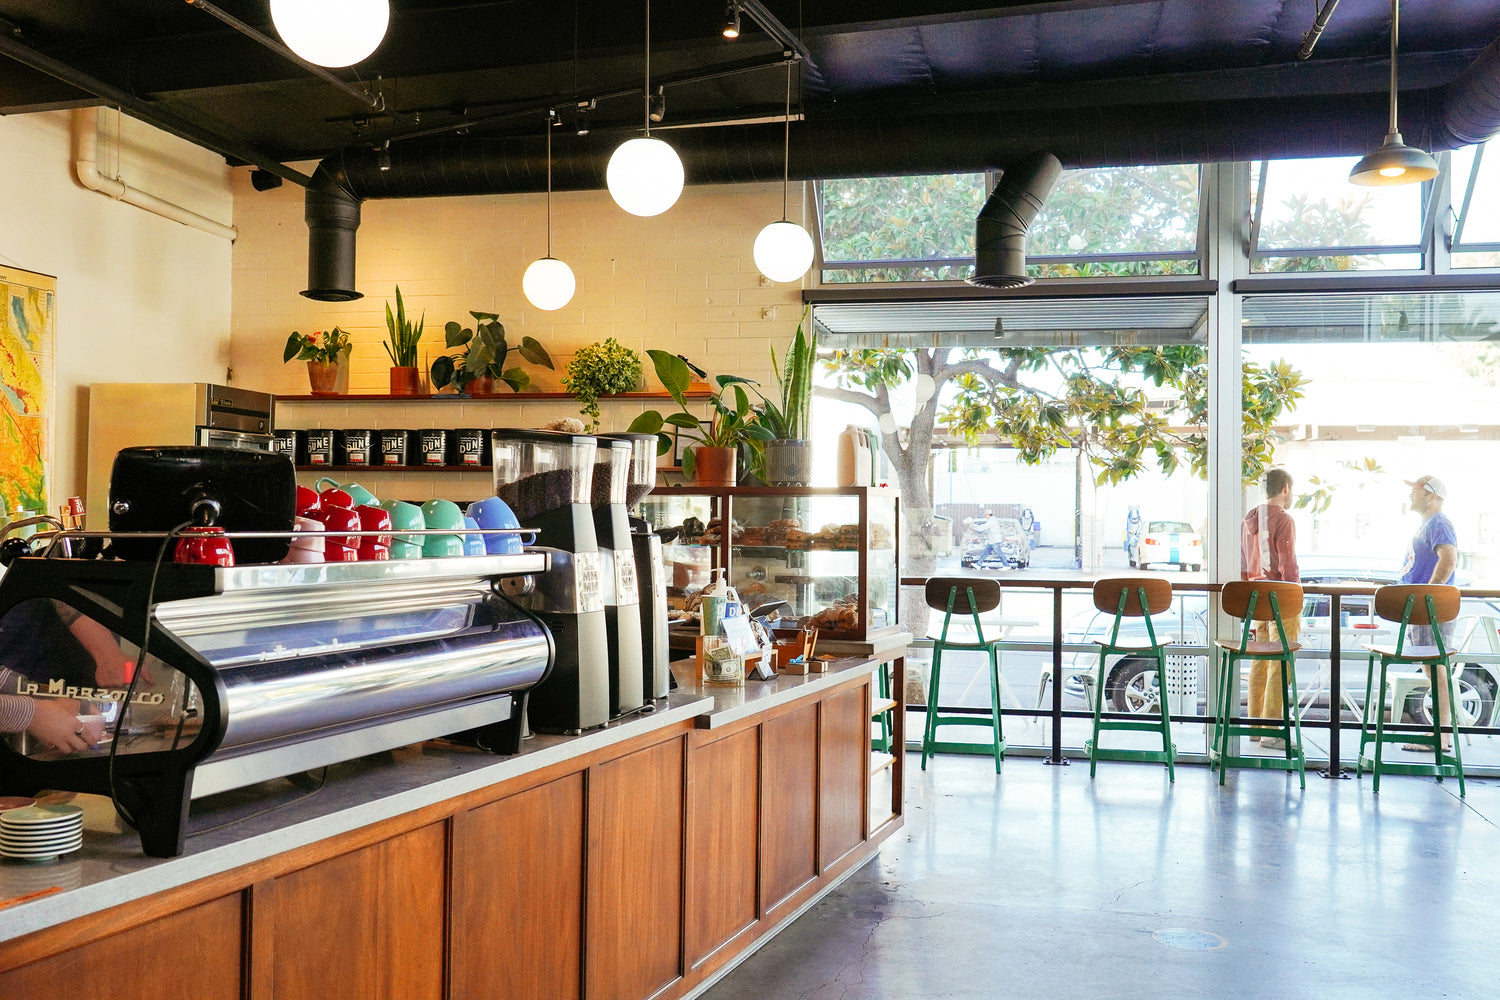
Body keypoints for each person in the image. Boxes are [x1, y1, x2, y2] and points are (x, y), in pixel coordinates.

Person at [1239, 467, 1300, 750]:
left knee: (1260, 662)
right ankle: (1272, 731)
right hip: (1280, 597)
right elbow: (1288, 565)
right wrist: (1296, 594)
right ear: (1285, 488)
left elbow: (1243, 566)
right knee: (1281, 663)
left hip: (1256, 599)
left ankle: (1254, 727)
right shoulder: (1284, 520)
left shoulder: (1248, 520)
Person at [1398, 474, 1459, 753]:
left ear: (1432, 496)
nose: (1412, 495)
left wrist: (1428, 595)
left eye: (1417, 491)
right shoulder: (1428, 524)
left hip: (1430, 608)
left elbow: (1448, 560)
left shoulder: (1439, 522)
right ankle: (1439, 735)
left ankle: (1441, 737)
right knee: (1432, 669)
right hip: (1422, 607)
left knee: (1436, 669)